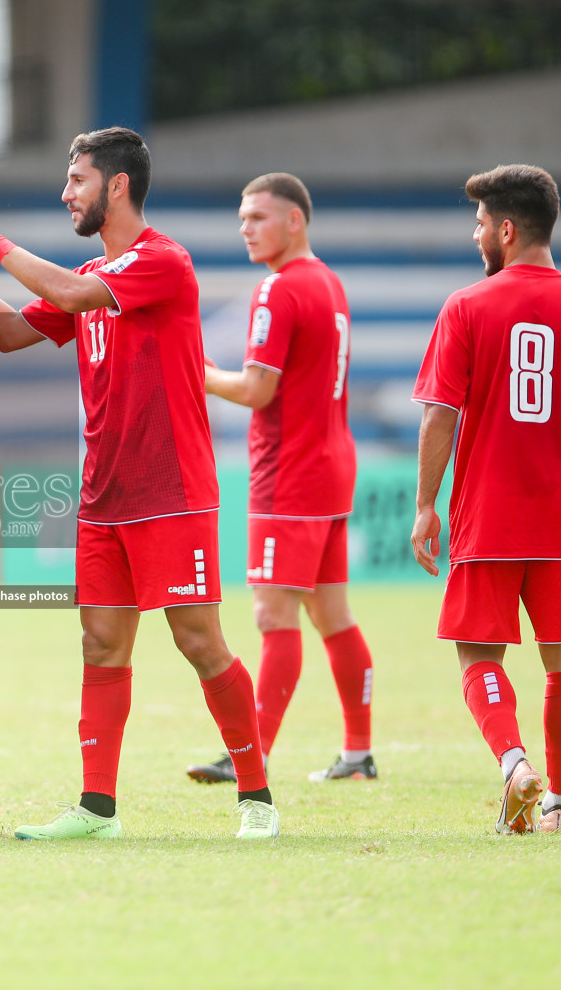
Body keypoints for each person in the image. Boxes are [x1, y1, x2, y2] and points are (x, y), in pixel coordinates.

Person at [0, 126, 280, 840]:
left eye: (76, 180)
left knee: (200, 641)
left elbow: (75, 292)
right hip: (103, 497)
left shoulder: (162, 262)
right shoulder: (92, 275)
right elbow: (13, 332)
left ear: (116, 185)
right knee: (100, 644)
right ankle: (97, 809)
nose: (65, 193)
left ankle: (258, 798)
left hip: (170, 493)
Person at [411, 164, 561, 834]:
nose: (476, 235)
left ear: (507, 230)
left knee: (478, 655)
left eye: (481, 224)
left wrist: (427, 505)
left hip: (488, 517)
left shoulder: (466, 306)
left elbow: (439, 414)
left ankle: (514, 763)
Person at [187, 173, 378, 786]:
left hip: (290, 473)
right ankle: (357, 752)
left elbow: (256, 387)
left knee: (274, 615)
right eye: (242, 217)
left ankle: (253, 753)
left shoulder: (280, 289)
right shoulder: (331, 283)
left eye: (258, 217)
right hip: (330, 464)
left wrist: (200, 371)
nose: (246, 227)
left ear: (295, 220)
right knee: (332, 614)